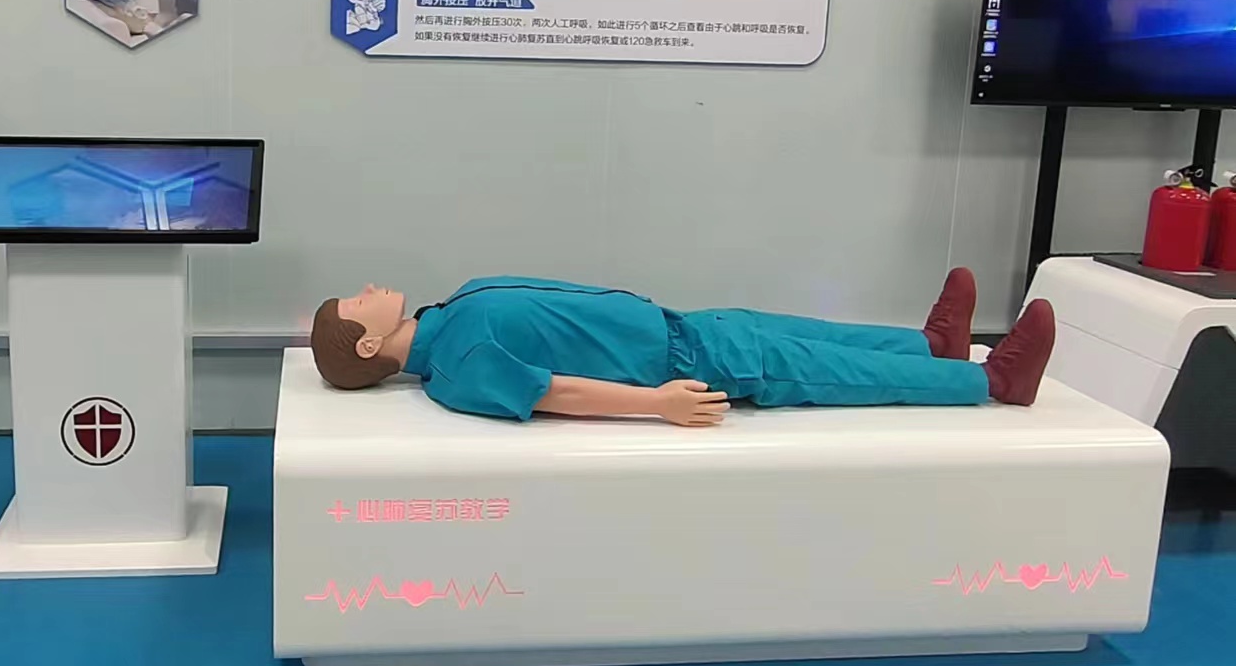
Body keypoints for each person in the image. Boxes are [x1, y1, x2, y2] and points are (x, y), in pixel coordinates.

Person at [308, 269, 1055, 425]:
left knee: (807, 332)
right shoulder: (460, 366)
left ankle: (931, 344)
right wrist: (657, 404)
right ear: (368, 342)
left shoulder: (451, 314)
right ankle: (991, 382)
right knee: (827, 369)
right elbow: (554, 392)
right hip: (686, 364)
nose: (368, 287)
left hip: (684, 327)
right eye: (357, 300)